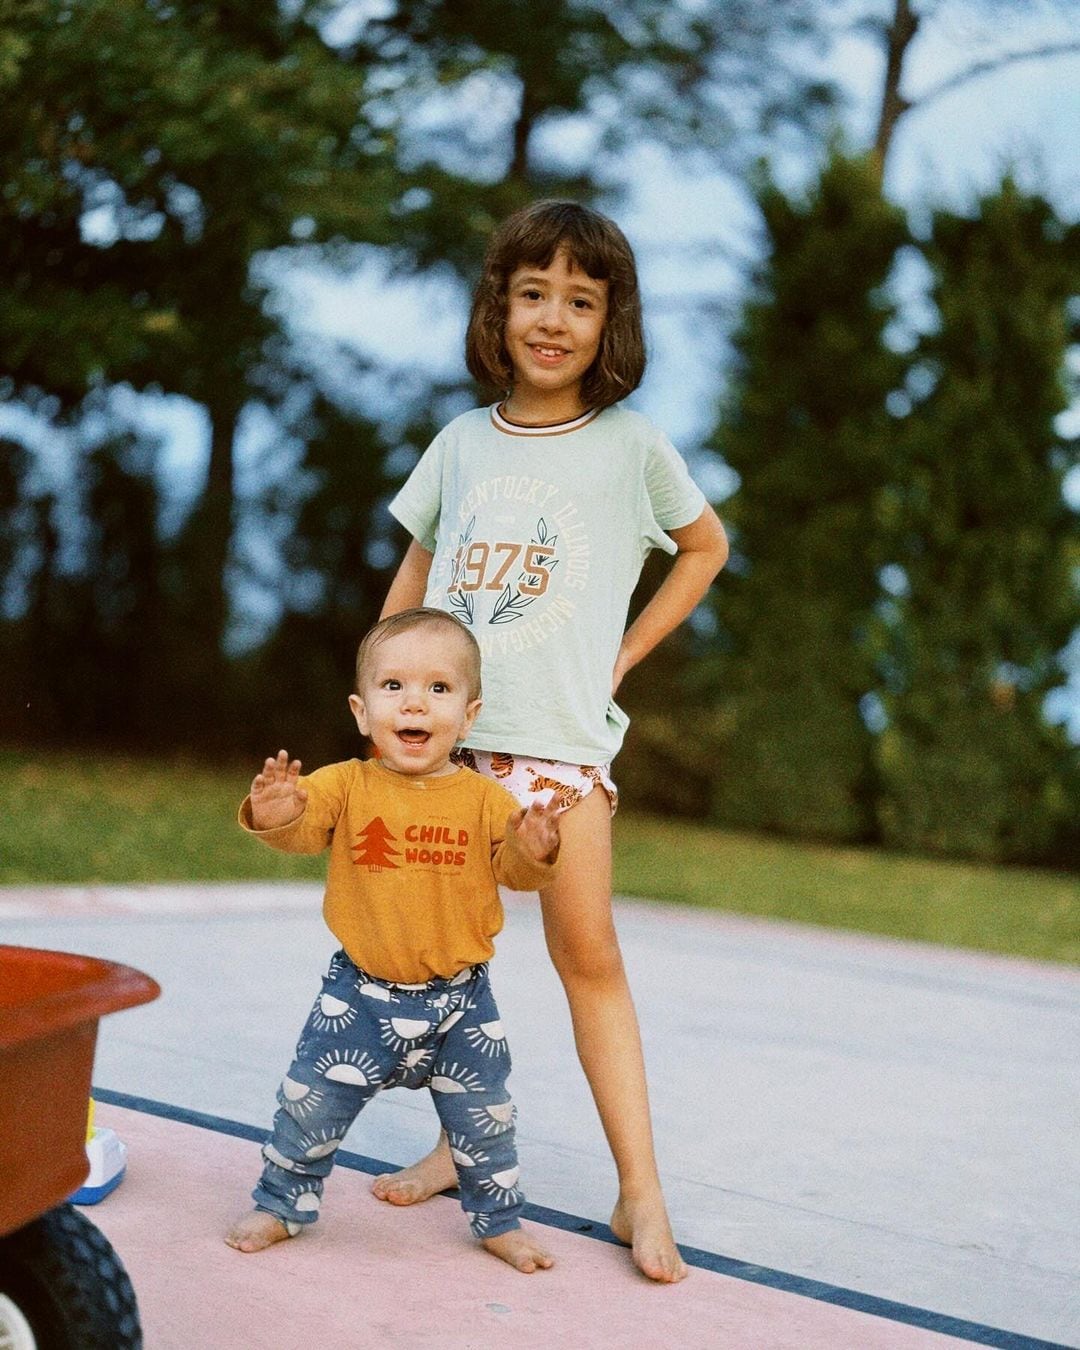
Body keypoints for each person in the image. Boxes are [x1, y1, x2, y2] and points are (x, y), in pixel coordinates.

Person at [376, 199, 729, 1283]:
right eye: (535, 293)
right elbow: (413, 583)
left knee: (590, 962)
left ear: (609, 321)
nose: (554, 319)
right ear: (501, 306)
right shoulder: (460, 445)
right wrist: (385, 699)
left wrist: (621, 655)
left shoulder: (631, 446)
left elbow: (706, 547)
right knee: (447, 965)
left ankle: (641, 1189)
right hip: (449, 757)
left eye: (582, 300)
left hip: (558, 762)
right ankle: (458, 1146)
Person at [225, 607, 561, 1274]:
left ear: (468, 716)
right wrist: (273, 810)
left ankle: (498, 1220)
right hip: (358, 998)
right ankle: (282, 1204)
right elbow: (299, 829)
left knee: (486, 1123)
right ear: (361, 710)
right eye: (395, 687)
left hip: (462, 1003)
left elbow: (517, 876)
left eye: (439, 689)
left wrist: (534, 849)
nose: (416, 702)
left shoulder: (487, 801)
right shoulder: (345, 784)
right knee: (308, 1105)